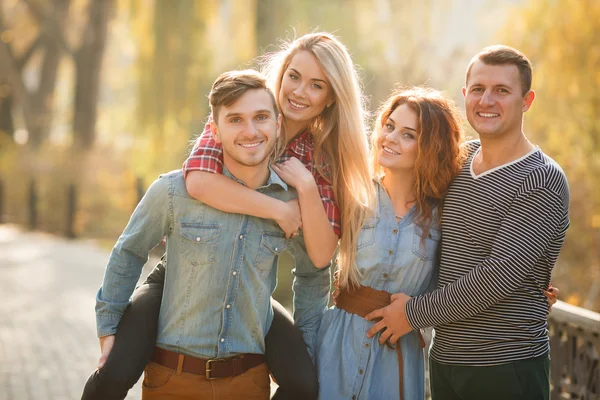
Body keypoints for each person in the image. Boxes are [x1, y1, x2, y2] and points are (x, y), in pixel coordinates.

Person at [82, 32, 373, 400]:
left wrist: (308, 187)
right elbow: (199, 184)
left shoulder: (322, 161)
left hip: (249, 284)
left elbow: (317, 259)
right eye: (294, 77)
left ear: (332, 97)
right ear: (281, 75)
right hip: (183, 273)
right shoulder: (241, 106)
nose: (300, 92)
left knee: (304, 384)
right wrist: (278, 209)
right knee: (113, 373)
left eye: (317, 85)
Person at [365, 45, 570, 400]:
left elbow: (498, 275)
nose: (486, 100)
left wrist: (412, 314)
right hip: (444, 360)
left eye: (502, 91)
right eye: (478, 89)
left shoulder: (541, 179)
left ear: (527, 100)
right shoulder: (460, 160)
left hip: (505, 365)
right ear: (465, 94)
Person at [293, 87, 465, 400]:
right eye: (389, 126)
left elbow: (461, 282)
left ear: (431, 147)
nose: (390, 138)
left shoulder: (445, 215)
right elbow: (311, 270)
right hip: (336, 350)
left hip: (398, 358)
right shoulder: (351, 194)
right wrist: (307, 344)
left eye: (408, 134)